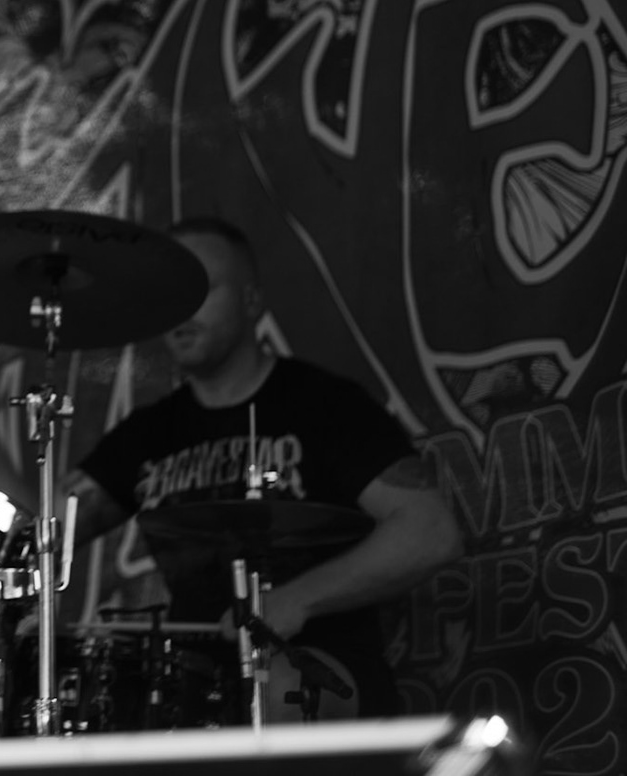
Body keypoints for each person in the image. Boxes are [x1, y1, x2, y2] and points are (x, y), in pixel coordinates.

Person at [66, 216, 463, 719]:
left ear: (252, 300)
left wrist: (297, 599)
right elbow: (47, 533)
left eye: (201, 290)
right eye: (172, 293)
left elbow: (431, 532)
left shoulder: (326, 406)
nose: (182, 309)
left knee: (271, 688)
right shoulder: (148, 432)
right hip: (191, 672)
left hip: (319, 662)